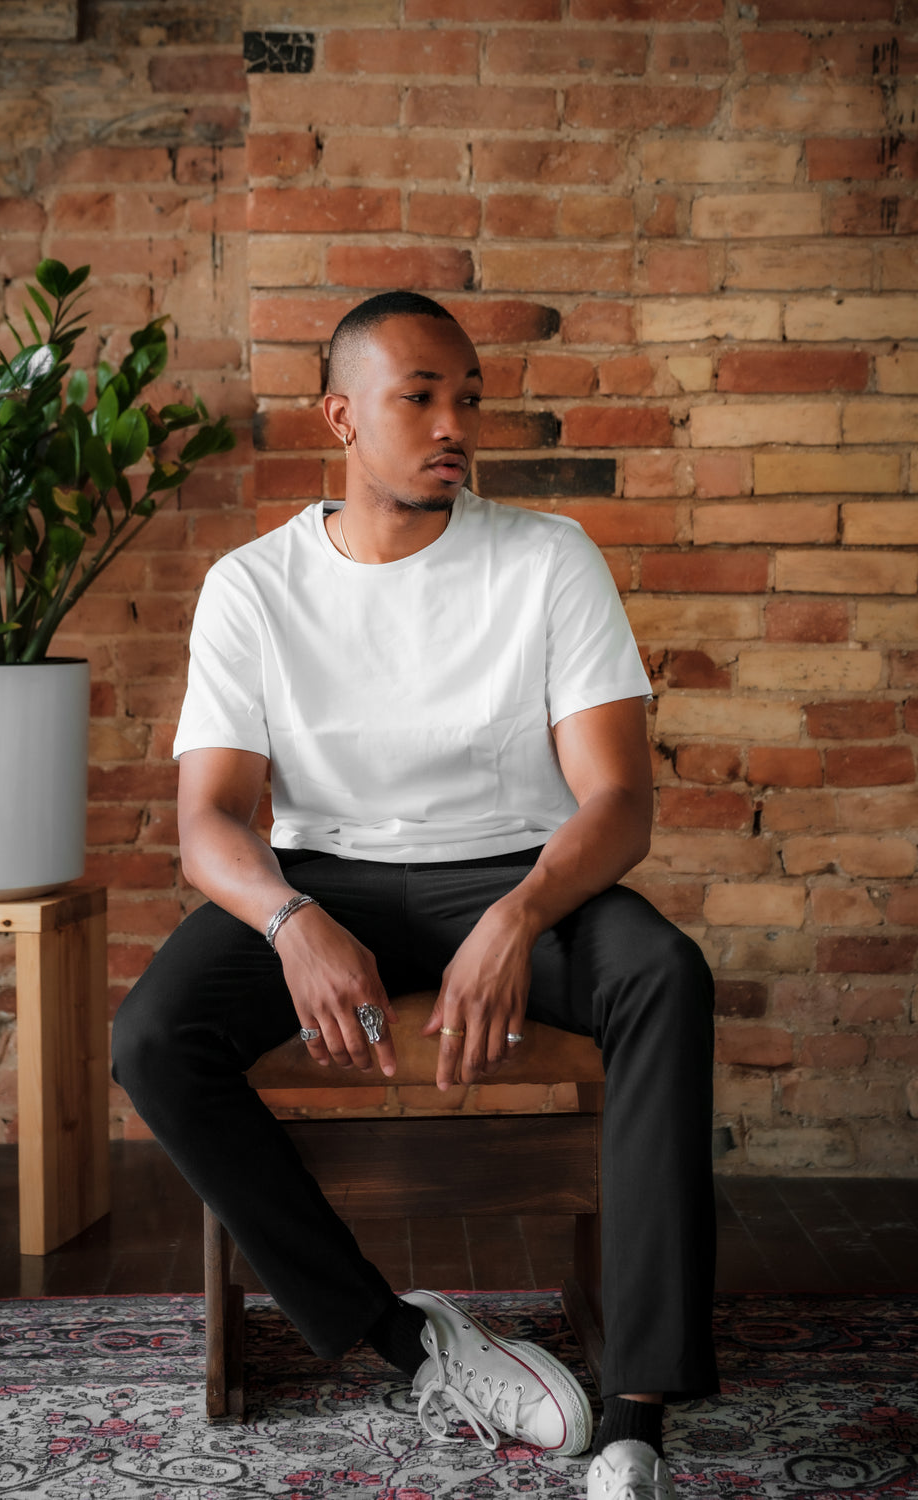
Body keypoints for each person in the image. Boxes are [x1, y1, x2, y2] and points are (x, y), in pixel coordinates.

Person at [112, 291, 718, 1498]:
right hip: (327, 879)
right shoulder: (253, 586)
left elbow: (616, 803)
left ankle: (638, 1414)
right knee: (152, 1038)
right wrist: (290, 919)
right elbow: (209, 822)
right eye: (421, 397)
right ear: (340, 416)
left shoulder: (546, 558)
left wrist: (517, 916)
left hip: (510, 873)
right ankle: (410, 1340)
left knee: (661, 975)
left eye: (469, 400)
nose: (455, 424)